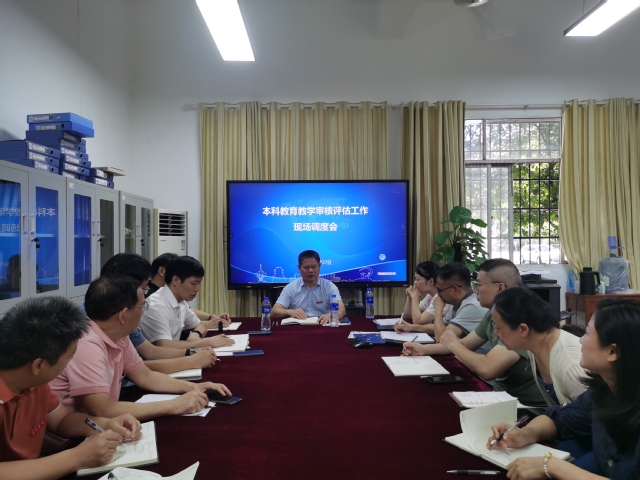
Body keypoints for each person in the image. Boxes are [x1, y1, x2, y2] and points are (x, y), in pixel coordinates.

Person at [488, 298, 640, 479]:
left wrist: (550, 465)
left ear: (612, 352)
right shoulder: (603, 391)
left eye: (587, 333)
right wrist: (524, 434)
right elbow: (562, 420)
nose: (580, 340)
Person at [50, 275, 231, 421]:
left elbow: (144, 376)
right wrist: (174, 405)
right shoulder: (86, 344)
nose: (143, 312)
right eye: (142, 306)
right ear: (123, 315)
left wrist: (193, 388)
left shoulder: (119, 335)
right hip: (72, 438)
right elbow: (102, 409)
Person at [0, 296, 142, 480]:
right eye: (69, 356)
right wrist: (77, 457)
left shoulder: (35, 383)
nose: (71, 362)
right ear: (38, 365)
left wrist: (106, 424)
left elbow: (62, 420)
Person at [402, 259, 546, 408]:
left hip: (524, 408)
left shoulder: (520, 319)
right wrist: (423, 349)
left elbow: (487, 369)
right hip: (499, 397)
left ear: (500, 288)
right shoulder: (492, 314)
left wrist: (452, 344)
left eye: (479, 285)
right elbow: (464, 343)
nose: (475, 291)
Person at [101, 253, 219, 373]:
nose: (144, 299)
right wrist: (194, 356)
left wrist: (192, 351)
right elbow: (144, 363)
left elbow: (150, 353)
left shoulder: (125, 325)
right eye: (143, 289)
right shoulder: (95, 334)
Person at [492, 287, 587, 406]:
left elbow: (596, 415)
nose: (495, 333)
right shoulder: (534, 347)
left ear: (523, 329)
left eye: (498, 327)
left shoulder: (571, 366)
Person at [139, 256, 234, 348]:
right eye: (193, 283)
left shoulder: (181, 301)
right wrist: (208, 342)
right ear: (175, 280)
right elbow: (165, 345)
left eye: (199, 283)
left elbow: (200, 325)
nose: (197, 289)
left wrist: (196, 333)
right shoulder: (156, 306)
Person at [147, 253, 231, 325]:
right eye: (193, 283)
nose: (197, 289)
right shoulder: (153, 300)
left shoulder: (178, 298)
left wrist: (211, 317)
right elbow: (164, 341)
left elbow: (191, 317)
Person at [271, 250, 346, 325]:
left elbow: (342, 309)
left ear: (319, 266)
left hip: (322, 325)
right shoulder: (291, 287)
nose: (310, 271)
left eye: (314, 267)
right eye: (306, 267)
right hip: (298, 327)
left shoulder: (329, 286)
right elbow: (274, 311)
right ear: (299, 267)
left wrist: (332, 315)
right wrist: (290, 312)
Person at [395, 261, 452, 335]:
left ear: (431, 281)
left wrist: (415, 297)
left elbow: (418, 322)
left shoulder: (440, 297)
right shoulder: (430, 296)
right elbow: (408, 316)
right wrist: (409, 297)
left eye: (417, 279)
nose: (415, 283)